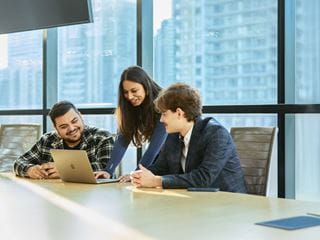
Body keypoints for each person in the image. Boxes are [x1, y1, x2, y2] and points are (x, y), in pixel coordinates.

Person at [130, 83, 247, 192]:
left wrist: (156, 181)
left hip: (228, 201)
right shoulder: (173, 135)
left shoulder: (216, 134)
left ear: (179, 113)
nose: (161, 120)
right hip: (197, 200)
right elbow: (162, 167)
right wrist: (140, 175)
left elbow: (203, 178)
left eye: (164, 114)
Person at [95, 66, 167, 182]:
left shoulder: (164, 104)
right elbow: (122, 140)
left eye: (134, 91)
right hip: (160, 161)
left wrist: (136, 173)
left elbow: (154, 148)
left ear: (146, 87)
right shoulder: (132, 107)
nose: (129, 96)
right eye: (125, 92)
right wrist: (108, 171)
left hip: (178, 161)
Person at [14, 101, 114, 179]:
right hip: (56, 196)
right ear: (55, 128)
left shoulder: (102, 137)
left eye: (74, 121)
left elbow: (106, 170)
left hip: (95, 198)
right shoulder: (47, 140)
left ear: (80, 115)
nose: (71, 128)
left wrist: (65, 170)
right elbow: (19, 162)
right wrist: (29, 170)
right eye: (63, 126)